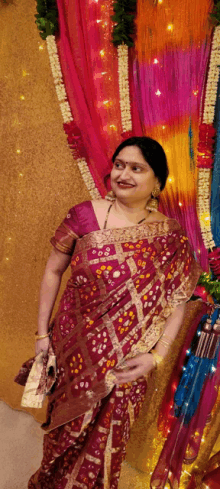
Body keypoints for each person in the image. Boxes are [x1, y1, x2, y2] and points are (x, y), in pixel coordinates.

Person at [26, 136, 202, 489]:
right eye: (119, 165)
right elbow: (53, 271)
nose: (124, 174)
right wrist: (43, 335)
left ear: (158, 182)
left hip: (129, 360)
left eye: (137, 168)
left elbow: (179, 299)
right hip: (74, 349)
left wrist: (157, 356)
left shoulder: (171, 237)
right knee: (63, 434)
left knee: (107, 442)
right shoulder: (83, 215)